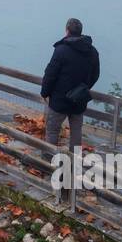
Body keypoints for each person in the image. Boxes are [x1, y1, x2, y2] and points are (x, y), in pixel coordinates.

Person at [40, 18, 101, 202]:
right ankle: (74, 164)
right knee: (76, 131)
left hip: (59, 99)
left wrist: (45, 92)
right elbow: (96, 74)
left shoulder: (61, 50)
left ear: (67, 31)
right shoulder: (92, 51)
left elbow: (51, 73)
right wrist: (83, 88)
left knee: (52, 130)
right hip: (79, 100)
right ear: (80, 32)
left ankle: (49, 162)